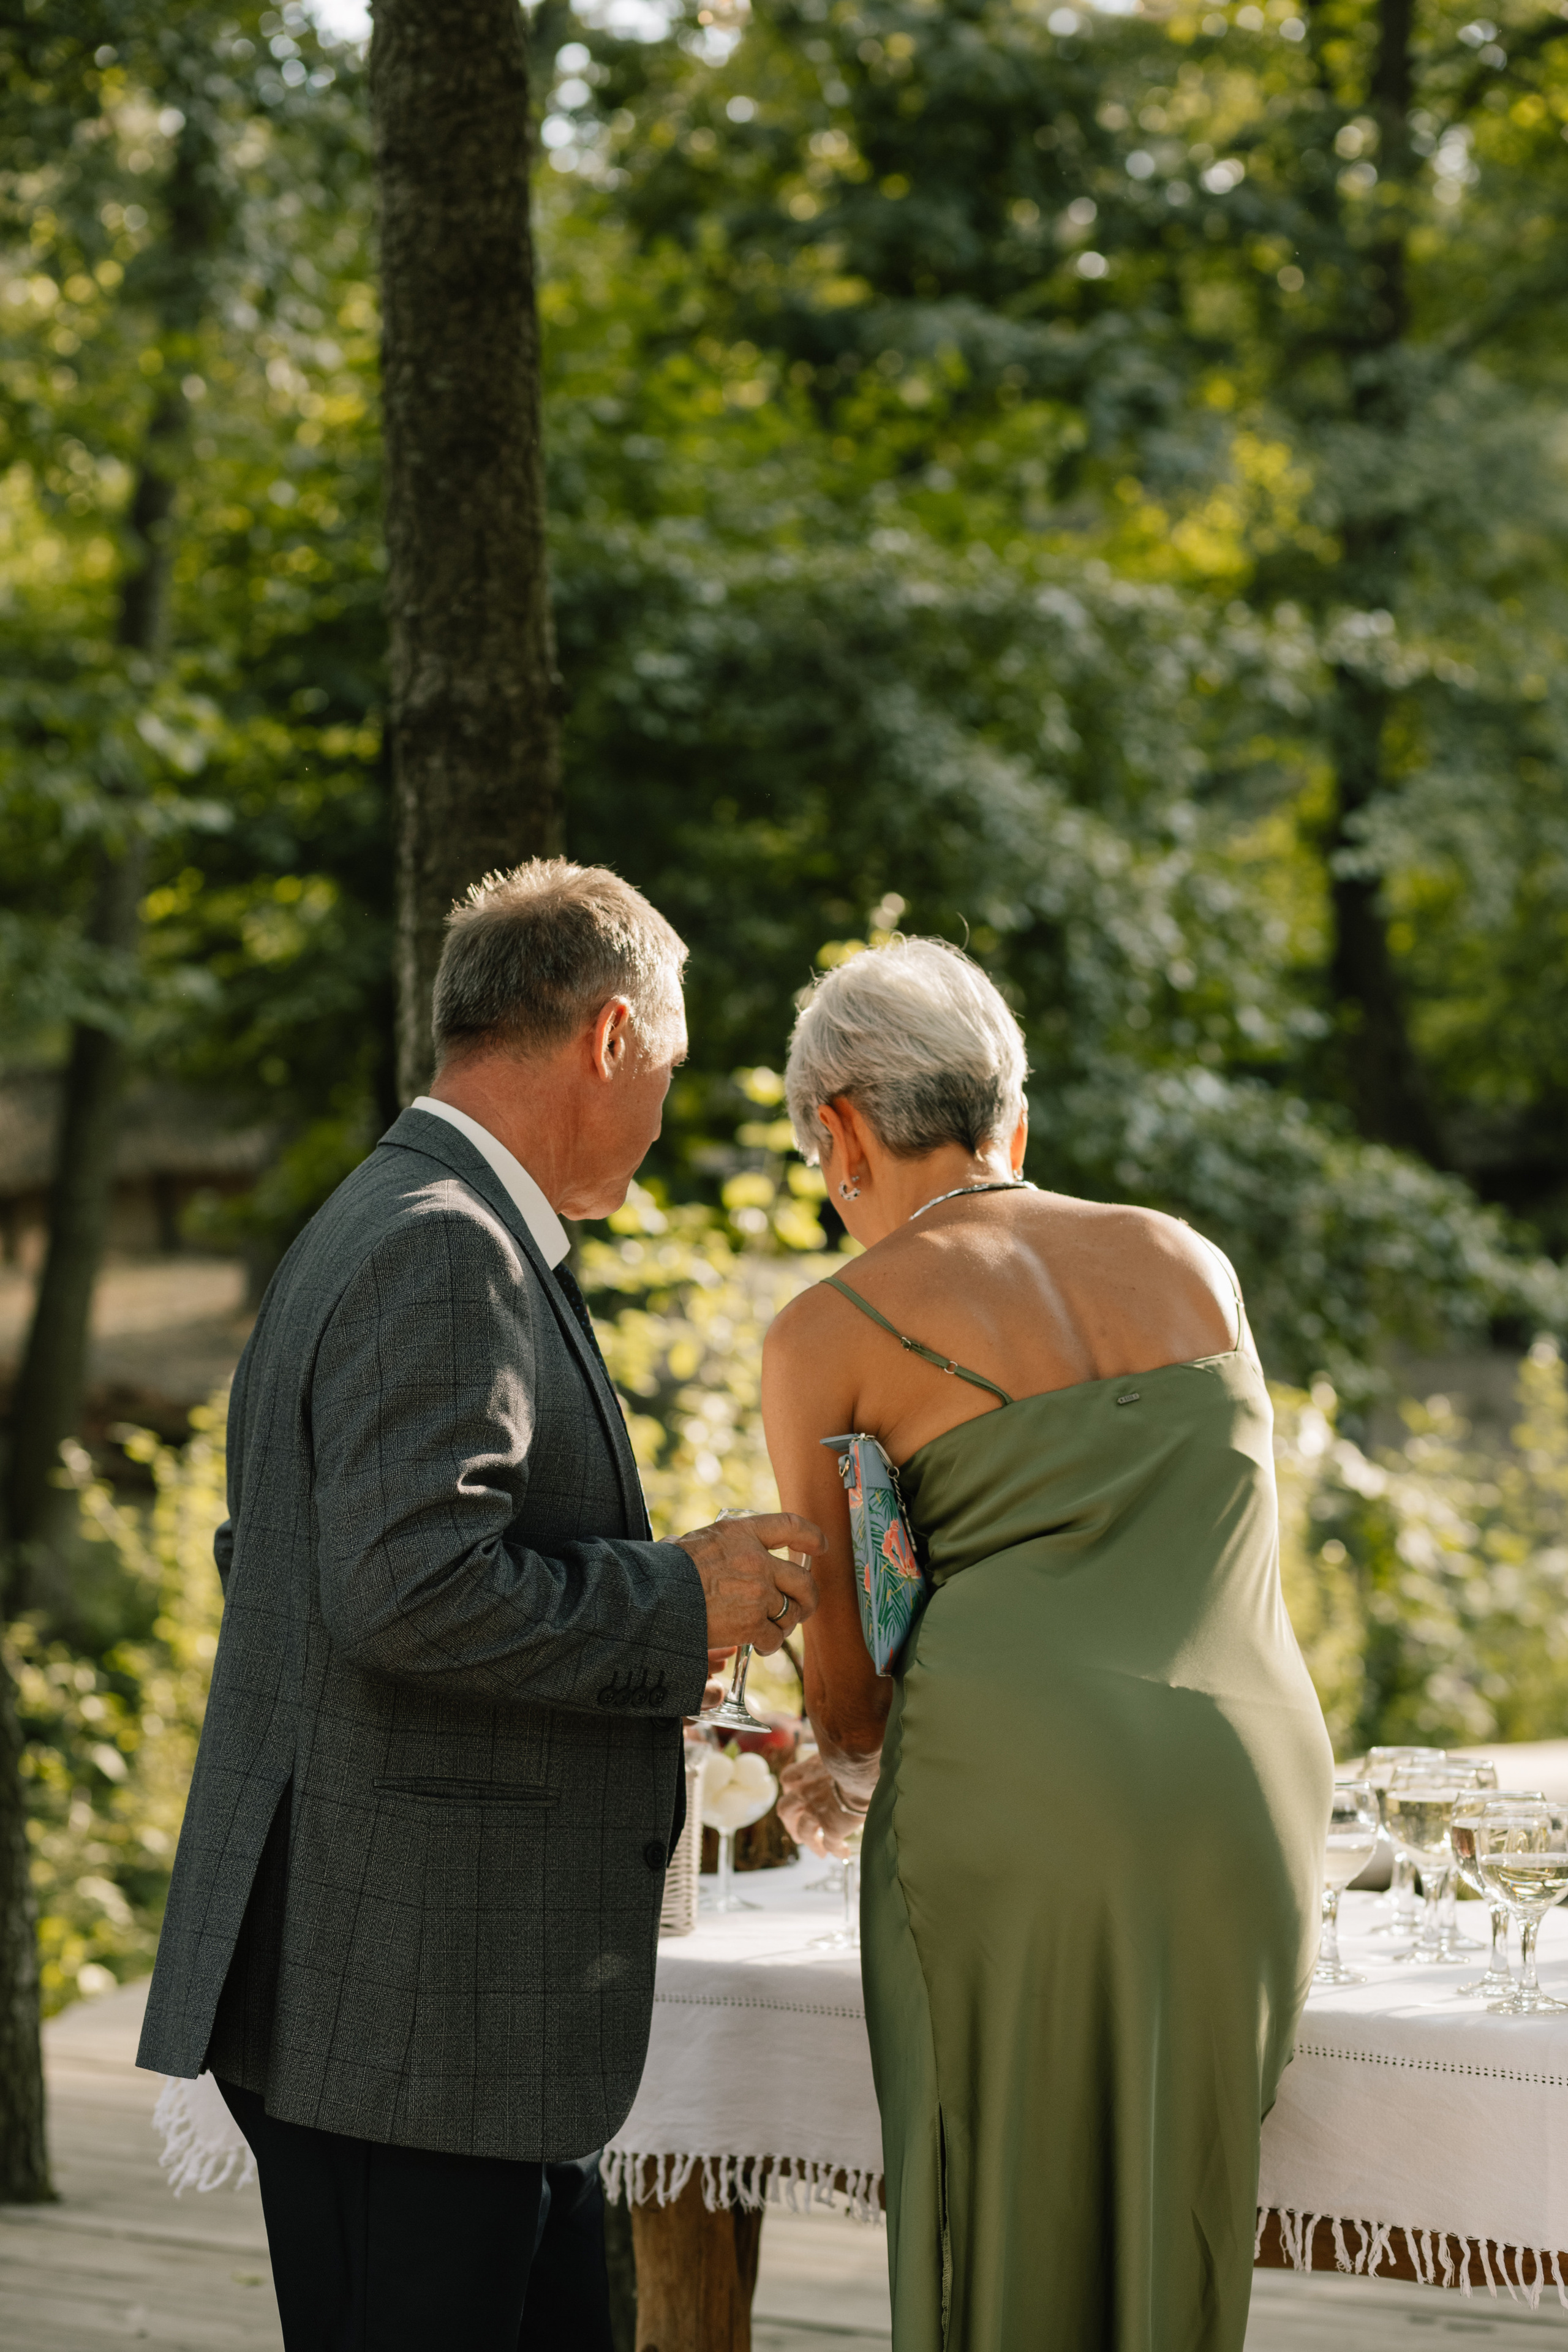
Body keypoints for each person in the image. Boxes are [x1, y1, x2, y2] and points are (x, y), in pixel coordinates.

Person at [136, 859, 822, 2352]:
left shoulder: (391, 1214)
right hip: (406, 2015)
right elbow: (408, 1585)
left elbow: (296, 1567)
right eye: (674, 1071)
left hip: (430, 2014)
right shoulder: (446, 1243)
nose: (663, 1116)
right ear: (609, 1038)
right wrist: (676, 1595)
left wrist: (655, 1655)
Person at [766, 936, 1332, 2352]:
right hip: (1247, 1792)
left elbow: (850, 1705)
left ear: (838, 1129)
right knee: (1169, 2207)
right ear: (1002, 1108)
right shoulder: (1186, 1260)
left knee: (991, 2211)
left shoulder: (824, 1334)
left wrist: (818, 1762)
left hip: (1013, 1790)